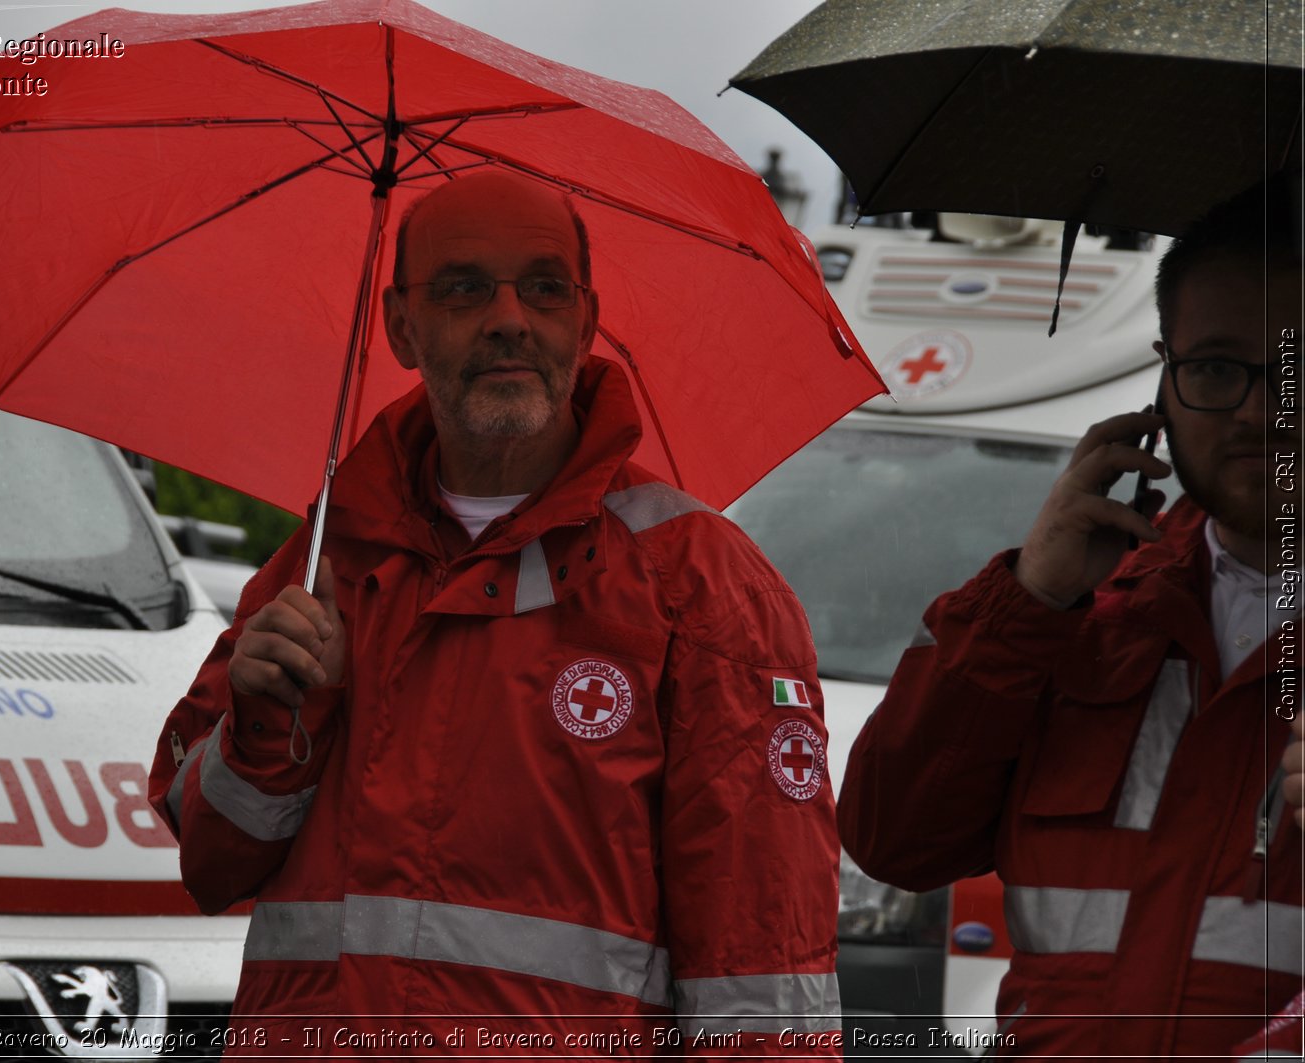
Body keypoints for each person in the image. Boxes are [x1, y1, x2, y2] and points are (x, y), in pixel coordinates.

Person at [148, 173, 842, 1057]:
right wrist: (273, 719)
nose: (510, 317)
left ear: (585, 321)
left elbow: (763, 968)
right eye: (464, 286)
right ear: (402, 324)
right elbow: (210, 865)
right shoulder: (326, 558)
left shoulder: (703, 586)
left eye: (545, 287)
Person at [838, 180, 1302, 1060]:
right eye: (1214, 367)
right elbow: (891, 838)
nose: (1256, 410)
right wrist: (1026, 603)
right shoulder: (1075, 618)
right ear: (1160, 384)